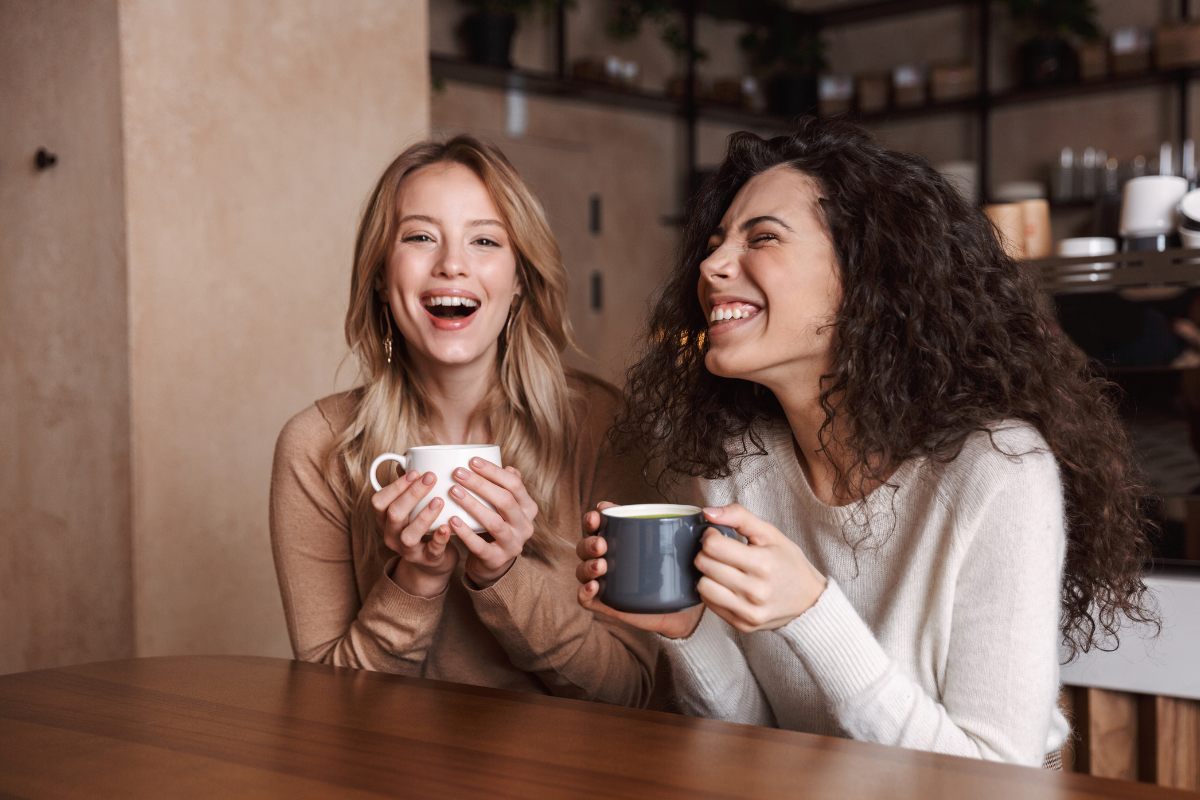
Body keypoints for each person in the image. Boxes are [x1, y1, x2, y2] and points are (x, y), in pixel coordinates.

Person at [575, 117, 1158, 765]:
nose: (711, 265)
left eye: (761, 238)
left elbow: (994, 778)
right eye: (714, 244)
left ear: (867, 274)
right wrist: (687, 630)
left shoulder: (998, 470)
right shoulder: (740, 461)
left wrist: (811, 613)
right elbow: (754, 728)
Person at [270, 135, 656, 705]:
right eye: (421, 237)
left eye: (484, 241)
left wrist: (505, 577)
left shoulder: (602, 427)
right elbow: (328, 704)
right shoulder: (317, 447)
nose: (452, 265)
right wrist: (415, 582)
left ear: (521, 278)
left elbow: (632, 692)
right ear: (380, 274)